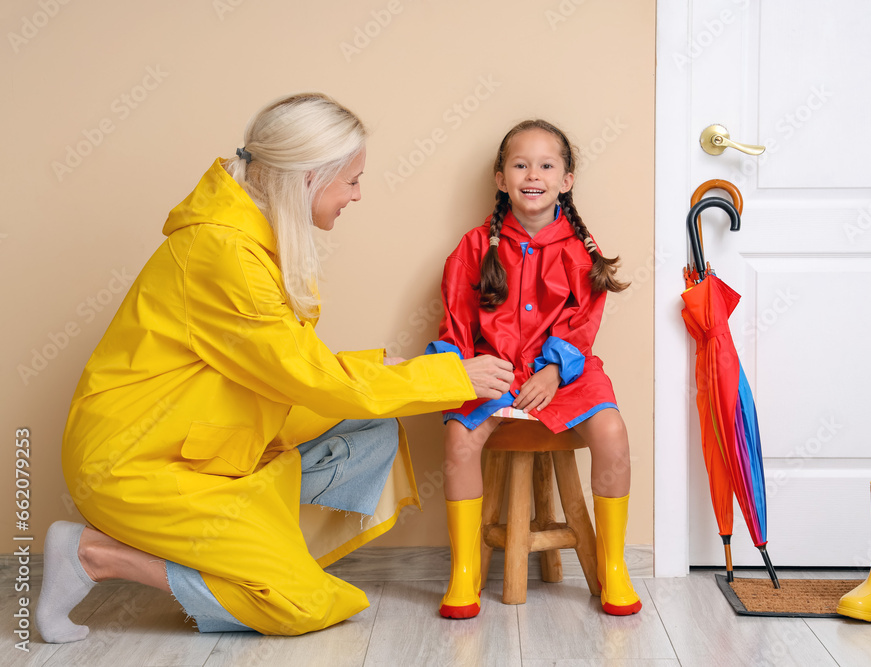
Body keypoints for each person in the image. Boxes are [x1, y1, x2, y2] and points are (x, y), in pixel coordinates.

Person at [37, 92, 514, 642]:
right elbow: (304, 377)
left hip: (201, 436)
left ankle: (250, 559)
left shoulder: (252, 240)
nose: (358, 195)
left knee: (372, 429)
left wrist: (383, 368)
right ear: (311, 178)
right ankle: (95, 555)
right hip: (134, 464)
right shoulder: (223, 254)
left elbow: (280, 361)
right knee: (302, 606)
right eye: (352, 180)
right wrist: (454, 377)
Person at [426, 119, 641, 618]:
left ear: (566, 180)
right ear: (501, 178)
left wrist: (552, 372)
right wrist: (468, 369)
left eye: (547, 165)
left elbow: (582, 326)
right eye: (520, 164)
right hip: (492, 371)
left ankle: (615, 565)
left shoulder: (579, 252)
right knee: (459, 436)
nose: (533, 174)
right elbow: (455, 322)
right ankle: (463, 572)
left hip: (563, 373)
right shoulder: (473, 248)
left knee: (612, 431)